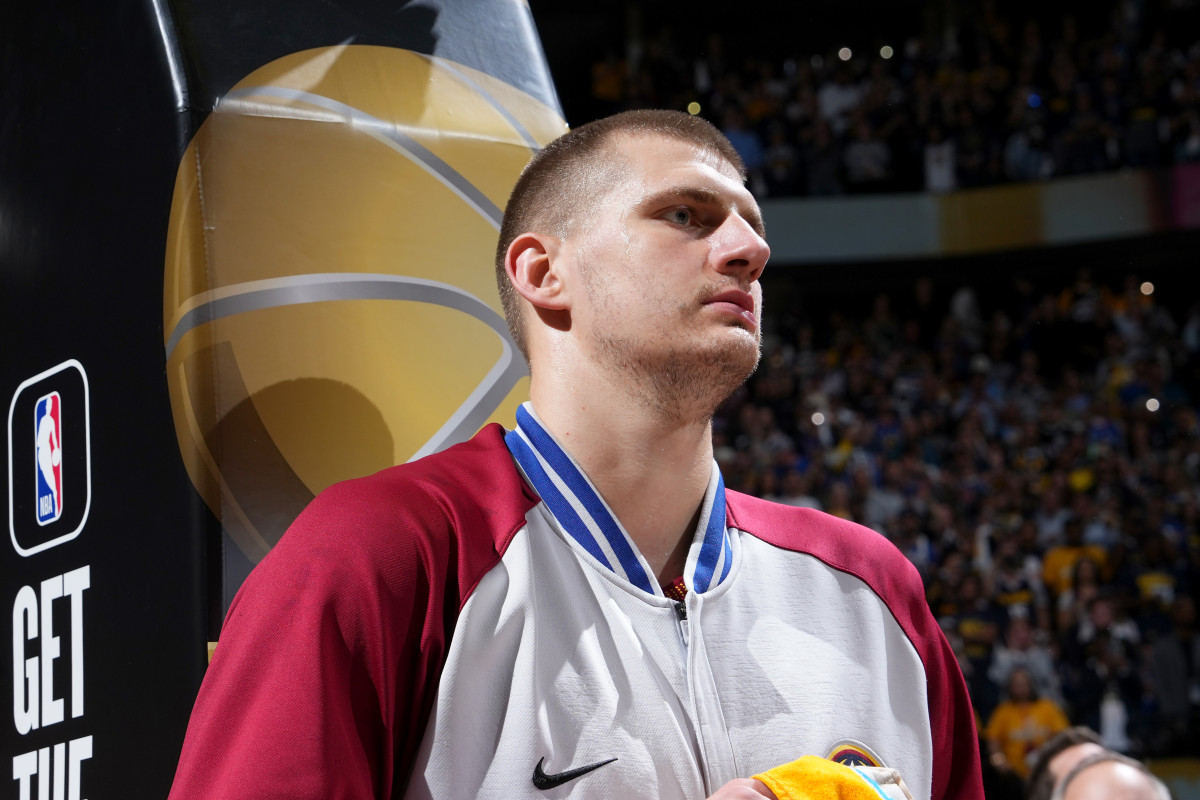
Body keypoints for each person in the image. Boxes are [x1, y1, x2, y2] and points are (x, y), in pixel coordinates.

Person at [168, 110, 983, 800]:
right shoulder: (382, 551)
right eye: (685, 216)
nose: (748, 250)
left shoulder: (873, 590)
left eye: (751, 226)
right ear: (544, 270)